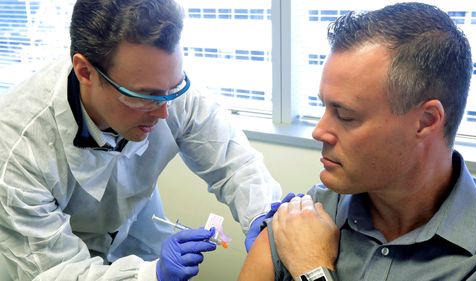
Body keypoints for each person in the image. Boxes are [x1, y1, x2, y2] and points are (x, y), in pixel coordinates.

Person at [0, 0, 285, 280]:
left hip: (138, 226)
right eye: (144, 97)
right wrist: (152, 274)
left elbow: (234, 163)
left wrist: (263, 217)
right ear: (85, 72)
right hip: (59, 256)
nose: (164, 111)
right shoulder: (17, 149)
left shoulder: (163, 88)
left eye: (172, 89)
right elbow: (56, 271)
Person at [239, 2, 476, 281]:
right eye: (324, 107)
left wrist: (313, 271)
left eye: (346, 116)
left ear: (426, 121)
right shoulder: (308, 216)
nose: (319, 131)